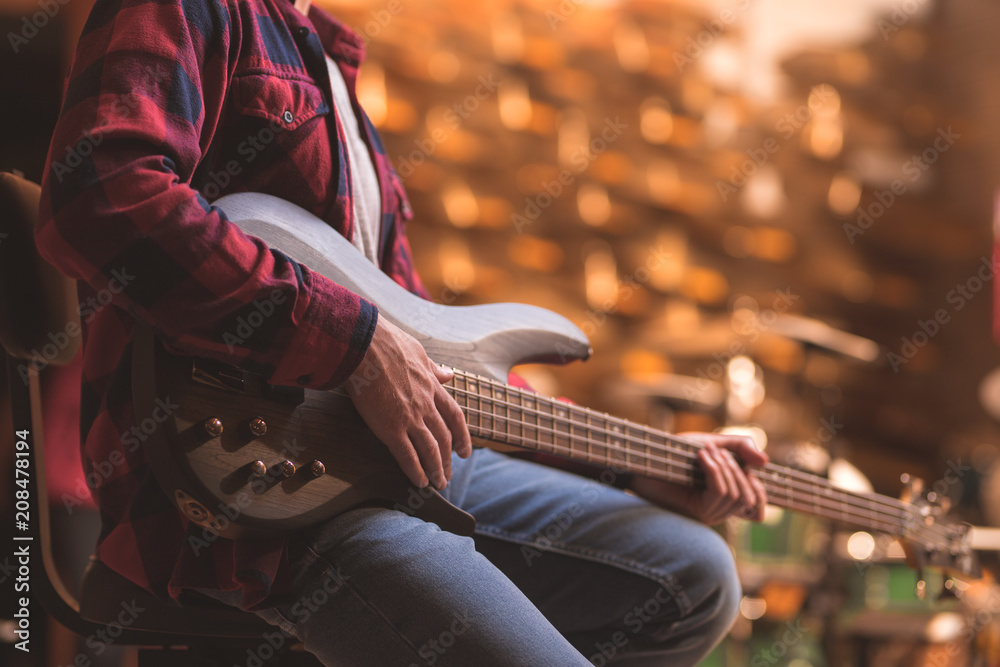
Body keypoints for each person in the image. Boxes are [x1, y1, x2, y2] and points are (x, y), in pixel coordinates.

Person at [36, 0, 769, 663]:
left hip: (388, 464)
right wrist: (352, 341)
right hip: (255, 504)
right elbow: (101, 193)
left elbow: (431, 354)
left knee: (697, 574)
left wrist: (638, 464)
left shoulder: (327, 66)